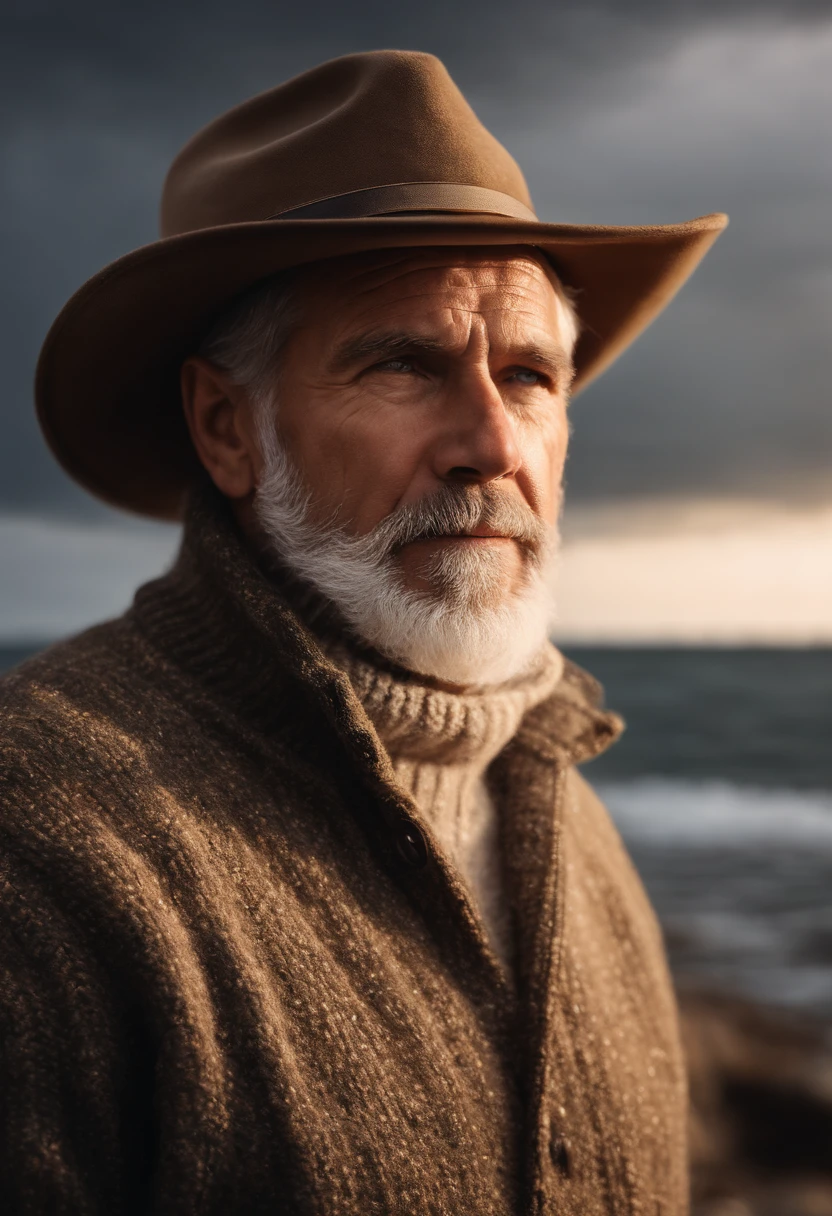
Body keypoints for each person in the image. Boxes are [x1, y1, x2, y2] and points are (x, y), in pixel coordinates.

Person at [1, 50, 727, 1214]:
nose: (491, 444)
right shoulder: (38, 839)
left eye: (531, 374)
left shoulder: (562, 807)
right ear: (226, 426)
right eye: (404, 362)